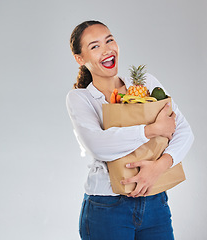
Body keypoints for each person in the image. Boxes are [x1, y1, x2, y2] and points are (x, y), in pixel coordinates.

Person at [66, 20, 194, 240]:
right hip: (107, 205)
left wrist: (158, 167)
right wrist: (152, 130)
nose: (107, 49)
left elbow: (184, 131)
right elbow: (99, 146)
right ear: (80, 59)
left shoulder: (147, 84)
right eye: (94, 46)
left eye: (109, 40)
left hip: (155, 200)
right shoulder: (80, 98)